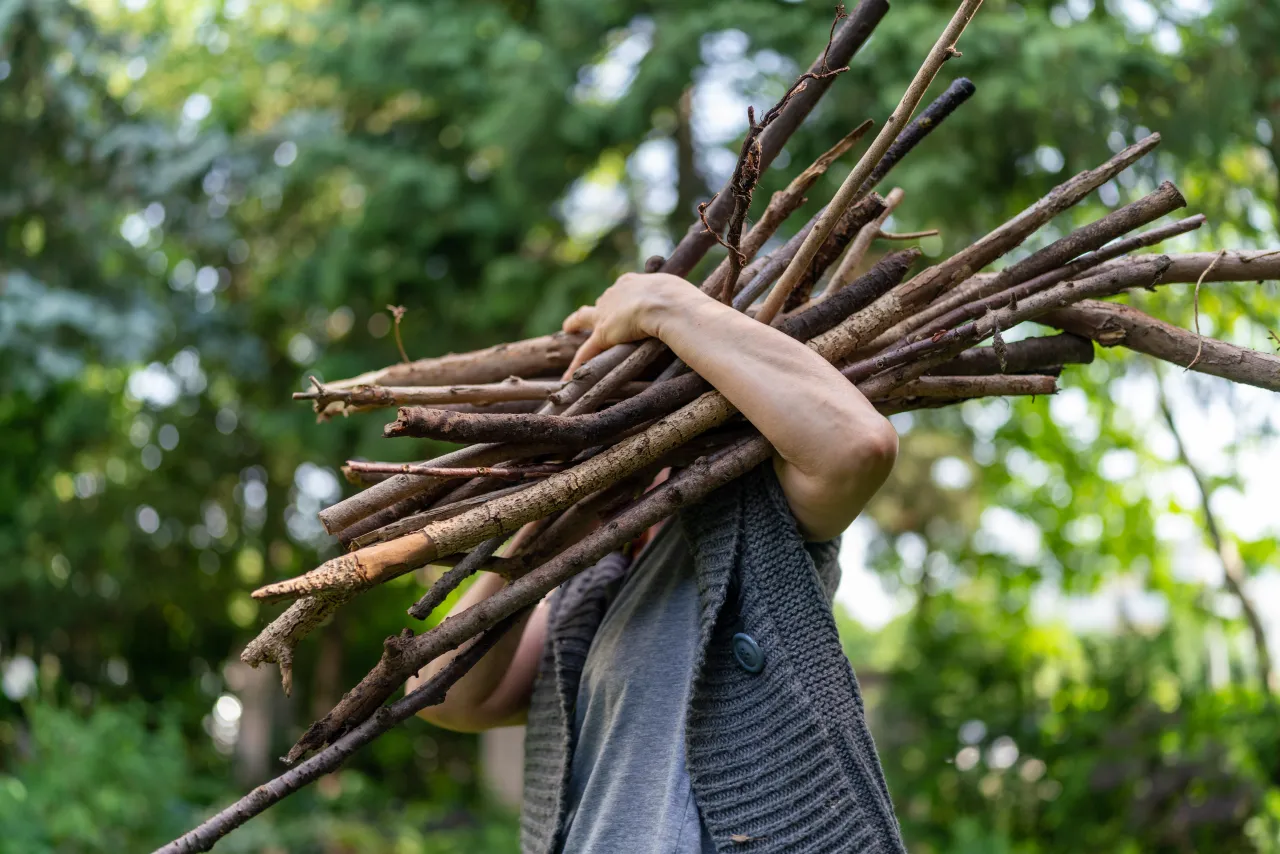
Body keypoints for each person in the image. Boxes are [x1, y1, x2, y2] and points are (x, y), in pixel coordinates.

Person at [407, 271, 905, 854]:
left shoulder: (760, 513)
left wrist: (665, 303)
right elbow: (446, 695)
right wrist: (551, 516)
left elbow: (856, 445)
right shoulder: (594, 584)